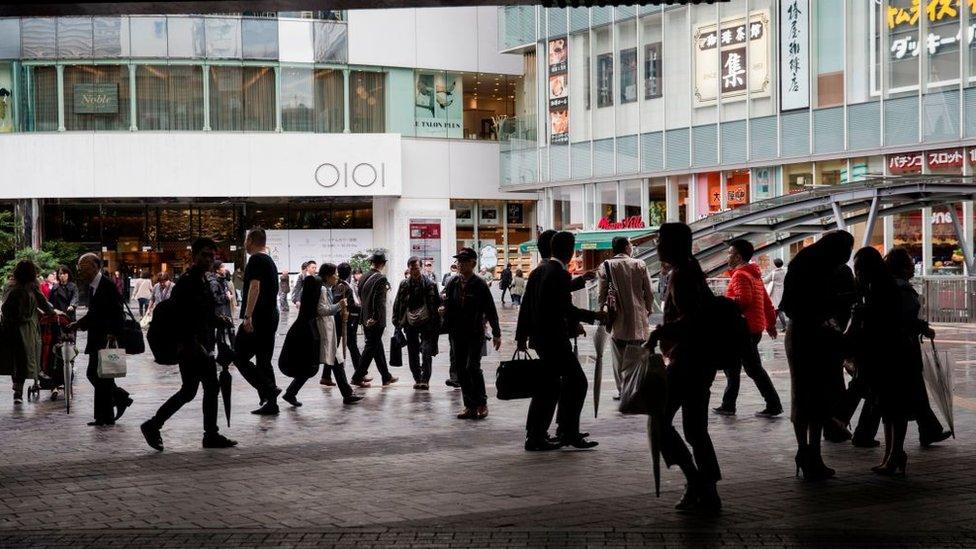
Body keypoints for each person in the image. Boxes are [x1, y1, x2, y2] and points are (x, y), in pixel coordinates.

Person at [646, 222, 722, 514]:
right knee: (695, 428)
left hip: (687, 361)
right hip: (700, 362)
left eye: (661, 240)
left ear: (674, 244)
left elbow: (693, 319)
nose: (657, 246)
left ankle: (695, 480)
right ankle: (707, 488)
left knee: (660, 420)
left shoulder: (682, 275)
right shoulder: (693, 269)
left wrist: (660, 333)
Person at [140, 238, 237, 451]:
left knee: (190, 390)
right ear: (194, 256)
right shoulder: (187, 282)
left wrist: (217, 320)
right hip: (192, 346)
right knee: (208, 387)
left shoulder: (203, 280)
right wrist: (190, 343)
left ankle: (154, 425)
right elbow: (181, 317)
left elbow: (203, 313)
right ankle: (209, 434)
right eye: (205, 255)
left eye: (212, 256)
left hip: (201, 343)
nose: (209, 259)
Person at [779, 230, 856, 481]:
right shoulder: (820, 269)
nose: (846, 258)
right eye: (845, 252)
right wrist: (825, 313)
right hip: (811, 336)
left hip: (804, 335)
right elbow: (793, 305)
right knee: (812, 395)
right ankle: (810, 452)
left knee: (805, 394)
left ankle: (808, 452)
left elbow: (788, 304)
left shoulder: (805, 263)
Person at [520, 232, 602, 448]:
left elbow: (527, 305)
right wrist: (595, 316)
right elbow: (565, 307)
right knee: (577, 382)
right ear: (569, 250)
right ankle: (564, 432)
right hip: (554, 339)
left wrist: (522, 337)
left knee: (550, 386)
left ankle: (540, 434)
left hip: (541, 340)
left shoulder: (540, 271)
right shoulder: (558, 273)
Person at [849, 247, 914, 476]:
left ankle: (895, 453)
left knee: (892, 406)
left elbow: (890, 322)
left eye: (858, 269)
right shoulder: (883, 288)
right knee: (890, 406)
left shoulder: (884, 290)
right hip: (894, 353)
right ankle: (893, 454)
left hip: (889, 354)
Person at [885, 248, 952, 448]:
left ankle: (929, 429)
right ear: (902, 267)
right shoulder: (902, 289)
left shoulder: (888, 286)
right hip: (904, 348)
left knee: (911, 390)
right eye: (909, 263)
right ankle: (924, 433)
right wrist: (923, 328)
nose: (913, 266)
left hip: (895, 347)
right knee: (911, 389)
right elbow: (906, 318)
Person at [713, 239, 783, 418]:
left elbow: (743, 301)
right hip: (753, 328)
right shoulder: (754, 274)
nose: (727, 256)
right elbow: (767, 301)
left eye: (730, 253)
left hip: (743, 330)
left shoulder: (740, 275)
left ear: (737, 256)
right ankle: (728, 404)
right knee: (734, 367)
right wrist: (770, 324)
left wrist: (721, 301)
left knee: (751, 369)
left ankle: (773, 404)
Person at [71, 253, 133, 426]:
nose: (80, 269)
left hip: (105, 338)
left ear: (94, 266)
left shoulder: (107, 285)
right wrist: (79, 324)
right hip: (96, 336)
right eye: (79, 265)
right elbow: (94, 313)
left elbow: (117, 311)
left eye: (83, 265)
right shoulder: (93, 286)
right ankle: (107, 412)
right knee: (100, 376)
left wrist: (114, 334)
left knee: (99, 375)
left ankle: (108, 411)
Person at [440, 248, 500, 420]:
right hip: (456, 333)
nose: (460, 264)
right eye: (458, 261)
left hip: (475, 333)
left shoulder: (479, 284)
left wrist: (496, 333)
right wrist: (443, 310)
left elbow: (490, 309)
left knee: (472, 367)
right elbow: (446, 303)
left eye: (464, 261)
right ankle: (469, 406)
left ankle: (481, 403)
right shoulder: (452, 282)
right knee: (461, 370)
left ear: (473, 263)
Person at [598, 236, 654, 400]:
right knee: (636, 356)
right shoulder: (639, 264)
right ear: (626, 247)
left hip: (617, 319)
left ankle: (623, 390)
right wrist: (648, 309)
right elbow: (649, 292)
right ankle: (636, 389)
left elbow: (601, 294)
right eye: (630, 244)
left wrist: (602, 312)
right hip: (637, 317)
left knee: (618, 357)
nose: (632, 247)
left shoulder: (606, 265)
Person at [235, 228, 282, 416]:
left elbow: (255, 287)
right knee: (264, 361)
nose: (245, 244)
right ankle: (272, 403)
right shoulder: (269, 260)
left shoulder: (255, 259)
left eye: (246, 240)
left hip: (258, 318)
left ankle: (268, 389)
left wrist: (248, 316)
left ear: (252, 240)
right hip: (270, 316)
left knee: (238, 356)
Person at [3, 261, 54, 404]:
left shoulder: (10, 285)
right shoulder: (31, 286)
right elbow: (42, 302)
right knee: (24, 358)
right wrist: (52, 312)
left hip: (12, 328)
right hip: (26, 329)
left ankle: (18, 390)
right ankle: (22, 387)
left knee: (18, 359)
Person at [317, 263, 363, 405]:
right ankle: (292, 392)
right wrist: (339, 305)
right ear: (327, 276)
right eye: (334, 274)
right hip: (325, 330)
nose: (336, 276)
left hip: (330, 330)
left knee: (337, 362)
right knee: (309, 369)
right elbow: (323, 310)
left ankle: (347, 394)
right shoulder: (323, 290)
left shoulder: (328, 289)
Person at [393, 256, 442, 390]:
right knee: (412, 350)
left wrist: (437, 321)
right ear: (408, 268)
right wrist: (396, 320)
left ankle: (425, 379)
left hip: (427, 321)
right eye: (412, 268)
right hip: (410, 321)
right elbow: (398, 302)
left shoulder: (430, 283)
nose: (414, 270)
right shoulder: (404, 284)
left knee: (426, 350)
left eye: (417, 268)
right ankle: (417, 378)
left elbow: (437, 302)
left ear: (421, 268)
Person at [279, 273, 327, 407]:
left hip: (306, 333)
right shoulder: (310, 310)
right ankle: (290, 393)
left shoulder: (307, 307)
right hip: (309, 335)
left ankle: (291, 393)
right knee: (307, 367)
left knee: (307, 368)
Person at [352, 251, 398, 387]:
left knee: (377, 347)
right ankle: (357, 376)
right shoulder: (381, 278)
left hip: (365, 317)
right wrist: (375, 317)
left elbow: (361, 297)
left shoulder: (363, 277)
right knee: (371, 348)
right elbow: (379, 302)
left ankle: (386, 376)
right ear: (383, 264)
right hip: (375, 320)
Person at [763, 258, 788, 330]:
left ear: (775, 264)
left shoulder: (774, 272)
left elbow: (766, 280)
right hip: (782, 291)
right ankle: (772, 325)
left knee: (778, 310)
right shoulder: (784, 271)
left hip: (775, 293)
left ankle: (784, 326)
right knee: (776, 309)